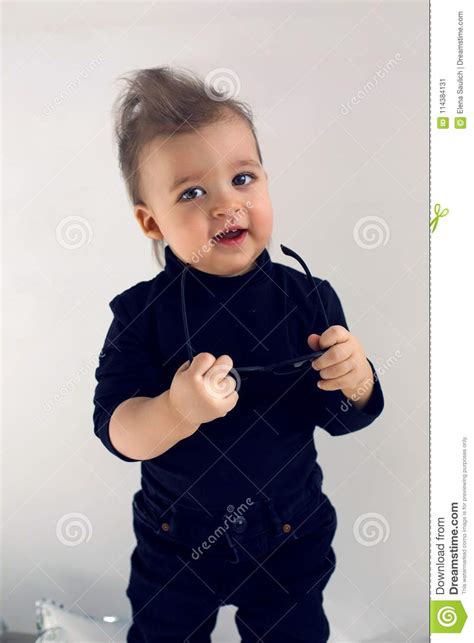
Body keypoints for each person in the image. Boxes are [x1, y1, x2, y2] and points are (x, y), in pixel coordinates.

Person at [92, 66, 384, 643]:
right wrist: (176, 412)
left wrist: (356, 380)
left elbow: (345, 419)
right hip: (175, 539)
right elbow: (117, 431)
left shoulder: (307, 298)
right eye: (193, 192)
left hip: (289, 533)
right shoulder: (139, 314)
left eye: (243, 178)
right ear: (152, 221)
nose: (227, 205)